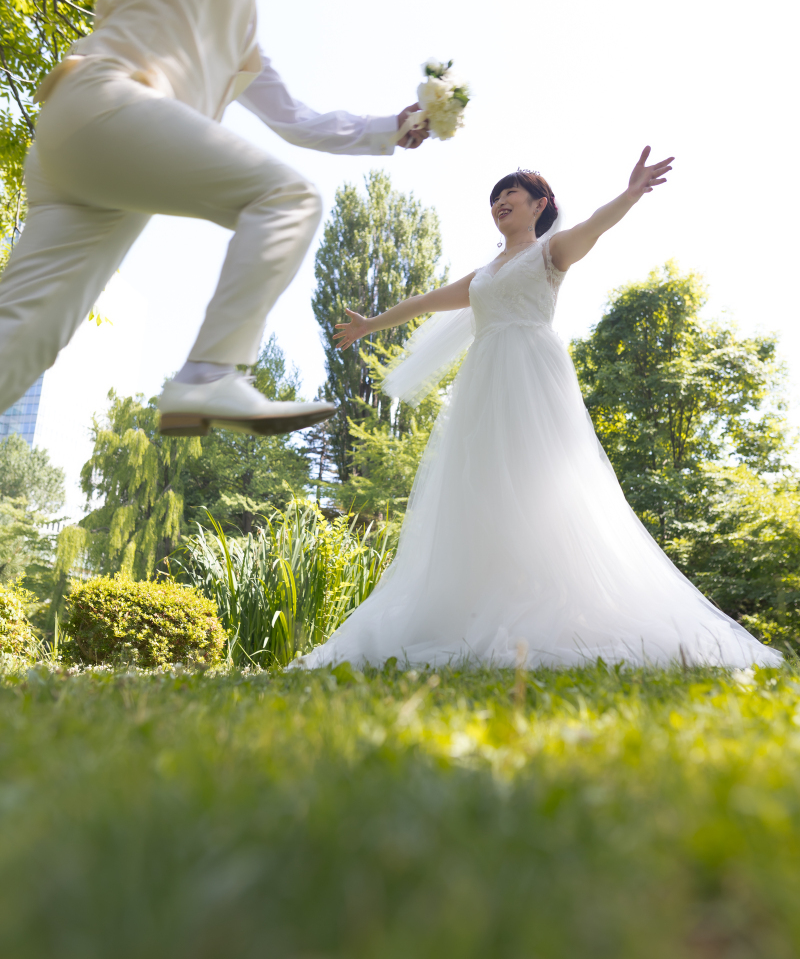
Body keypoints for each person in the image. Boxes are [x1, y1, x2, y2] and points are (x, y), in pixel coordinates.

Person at [0, 0, 428, 436]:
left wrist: (392, 126)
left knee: (22, 339)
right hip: (104, 106)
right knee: (289, 199)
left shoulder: (241, 32)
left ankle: (206, 376)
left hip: (95, 167)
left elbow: (297, 120)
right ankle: (208, 376)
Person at [296, 149, 782, 670]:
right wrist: (372, 323)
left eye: (511, 193)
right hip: (484, 386)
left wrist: (631, 193)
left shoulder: (550, 252)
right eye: (494, 197)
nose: (500, 201)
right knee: (481, 493)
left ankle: (558, 608)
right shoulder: (483, 274)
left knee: (542, 488)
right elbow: (427, 301)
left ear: (539, 205)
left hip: (533, 378)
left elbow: (596, 225)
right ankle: (481, 608)